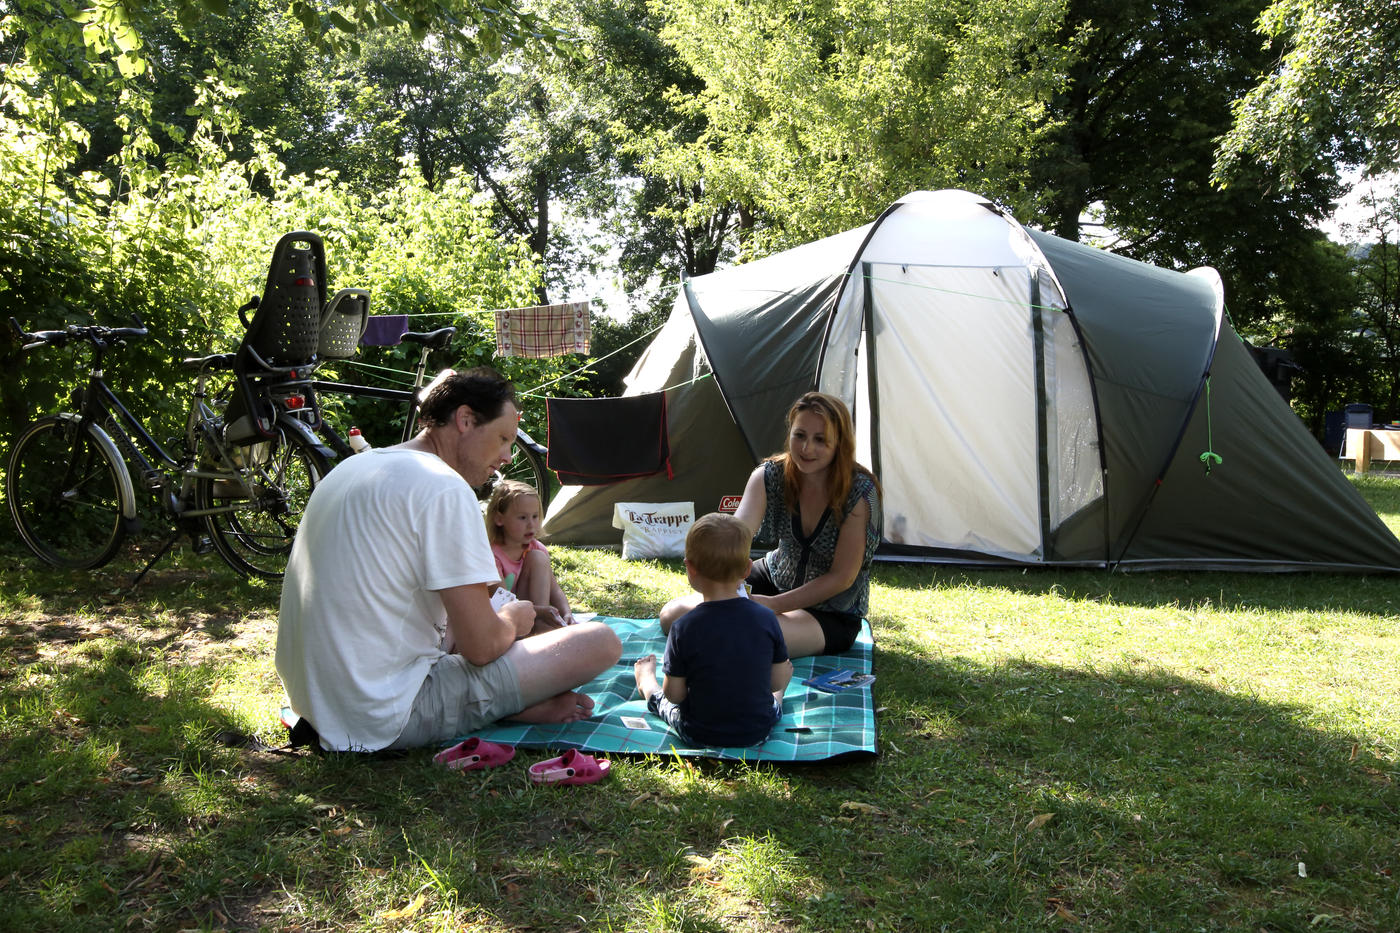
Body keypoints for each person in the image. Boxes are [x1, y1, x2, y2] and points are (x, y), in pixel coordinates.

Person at [275, 367, 621, 753]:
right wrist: (515, 618)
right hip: (381, 713)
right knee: (600, 641)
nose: (507, 457)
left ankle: (515, 702)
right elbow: (482, 647)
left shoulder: (355, 467)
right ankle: (515, 707)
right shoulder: (444, 488)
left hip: (313, 702)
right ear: (465, 420)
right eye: (503, 439)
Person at [659, 391, 882, 658]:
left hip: (830, 610)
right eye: (800, 435)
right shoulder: (770, 475)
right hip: (772, 577)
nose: (806, 448)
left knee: (746, 635)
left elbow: (842, 577)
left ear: (839, 444)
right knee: (673, 616)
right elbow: (735, 537)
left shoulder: (858, 492)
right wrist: (708, 562)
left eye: (820, 440)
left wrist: (774, 605)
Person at [634, 513, 792, 747]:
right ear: (747, 569)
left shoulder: (683, 627)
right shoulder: (767, 618)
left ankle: (647, 683)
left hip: (698, 732)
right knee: (774, 696)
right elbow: (775, 681)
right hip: (756, 731)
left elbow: (674, 695)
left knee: (663, 703)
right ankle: (776, 700)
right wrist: (782, 679)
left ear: (690, 568)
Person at [484, 479, 575, 627]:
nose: (531, 524)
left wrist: (567, 612)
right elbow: (502, 603)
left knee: (538, 557)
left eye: (535, 516)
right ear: (499, 519)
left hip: (532, 615)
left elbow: (555, 589)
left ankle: (539, 625)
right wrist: (541, 611)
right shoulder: (491, 556)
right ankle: (538, 623)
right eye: (522, 517)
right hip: (502, 620)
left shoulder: (535, 548)